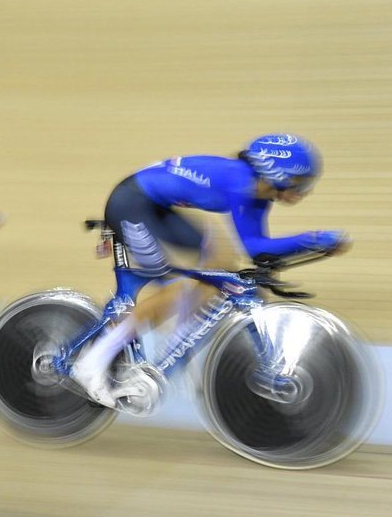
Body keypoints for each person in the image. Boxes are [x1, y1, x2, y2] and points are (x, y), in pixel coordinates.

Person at [71, 133, 350, 408]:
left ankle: (175, 354)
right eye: (301, 182)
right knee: (175, 288)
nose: (306, 190)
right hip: (131, 204)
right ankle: (91, 363)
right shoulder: (242, 183)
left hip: (156, 207)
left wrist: (311, 246)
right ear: (277, 173)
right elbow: (255, 248)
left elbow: (255, 247)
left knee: (219, 266)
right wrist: (313, 240)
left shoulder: (260, 195)